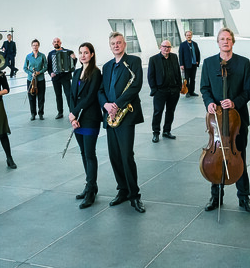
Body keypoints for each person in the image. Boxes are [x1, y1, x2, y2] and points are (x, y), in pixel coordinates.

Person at [200, 28, 250, 214]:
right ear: (218, 42)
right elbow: (205, 88)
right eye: (222, 39)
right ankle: (216, 197)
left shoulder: (243, 63)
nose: (225, 42)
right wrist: (209, 103)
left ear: (233, 42)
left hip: (236, 122)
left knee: (240, 158)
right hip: (216, 120)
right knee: (216, 159)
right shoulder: (208, 63)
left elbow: (248, 91)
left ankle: (244, 197)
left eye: (228, 39)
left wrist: (234, 102)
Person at [98, 31, 145, 213]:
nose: (116, 46)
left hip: (125, 115)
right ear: (110, 46)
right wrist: (107, 105)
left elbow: (136, 85)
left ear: (124, 44)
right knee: (114, 156)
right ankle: (122, 190)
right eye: (113, 44)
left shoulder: (133, 61)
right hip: (110, 115)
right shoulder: (107, 66)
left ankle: (134, 195)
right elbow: (101, 90)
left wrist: (118, 104)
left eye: (119, 43)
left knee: (126, 156)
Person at [68, 42, 103, 209]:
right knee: (83, 153)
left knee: (90, 154)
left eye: (86, 53)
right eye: (80, 53)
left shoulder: (96, 73)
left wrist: (75, 112)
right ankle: (90, 185)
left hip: (90, 118)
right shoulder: (76, 73)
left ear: (92, 54)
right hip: (77, 119)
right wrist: (72, 115)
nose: (83, 55)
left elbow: (90, 97)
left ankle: (90, 191)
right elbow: (71, 95)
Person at [147, 40, 182, 142]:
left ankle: (167, 131)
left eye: (168, 47)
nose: (166, 48)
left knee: (170, 111)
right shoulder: (153, 59)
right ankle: (156, 133)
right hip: (160, 91)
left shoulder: (174, 57)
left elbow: (178, 73)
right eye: (164, 46)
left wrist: (179, 87)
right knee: (158, 112)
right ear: (160, 47)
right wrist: (154, 90)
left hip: (173, 90)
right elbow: (150, 76)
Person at [48, 37, 77, 119]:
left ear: (60, 43)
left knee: (68, 95)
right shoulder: (51, 54)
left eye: (58, 42)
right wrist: (51, 73)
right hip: (55, 78)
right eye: (54, 42)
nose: (56, 43)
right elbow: (49, 67)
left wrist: (74, 58)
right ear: (53, 43)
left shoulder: (68, 52)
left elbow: (73, 64)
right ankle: (60, 112)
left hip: (65, 77)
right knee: (58, 95)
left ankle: (72, 112)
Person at [24, 39, 48, 120]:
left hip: (40, 79)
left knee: (41, 97)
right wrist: (31, 73)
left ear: (38, 46)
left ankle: (41, 113)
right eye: (33, 45)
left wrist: (39, 72)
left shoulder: (42, 56)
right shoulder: (28, 56)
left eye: (36, 45)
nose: (35, 47)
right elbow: (25, 68)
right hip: (31, 80)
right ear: (31, 46)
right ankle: (33, 114)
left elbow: (46, 67)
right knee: (31, 97)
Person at [178, 30, 201, 98]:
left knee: (193, 79)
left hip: (194, 64)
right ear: (185, 36)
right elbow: (180, 55)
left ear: (191, 36)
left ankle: (192, 91)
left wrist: (197, 61)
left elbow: (198, 53)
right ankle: (187, 92)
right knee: (187, 79)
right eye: (187, 35)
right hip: (186, 65)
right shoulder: (182, 45)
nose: (189, 36)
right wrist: (181, 64)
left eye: (190, 35)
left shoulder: (195, 44)